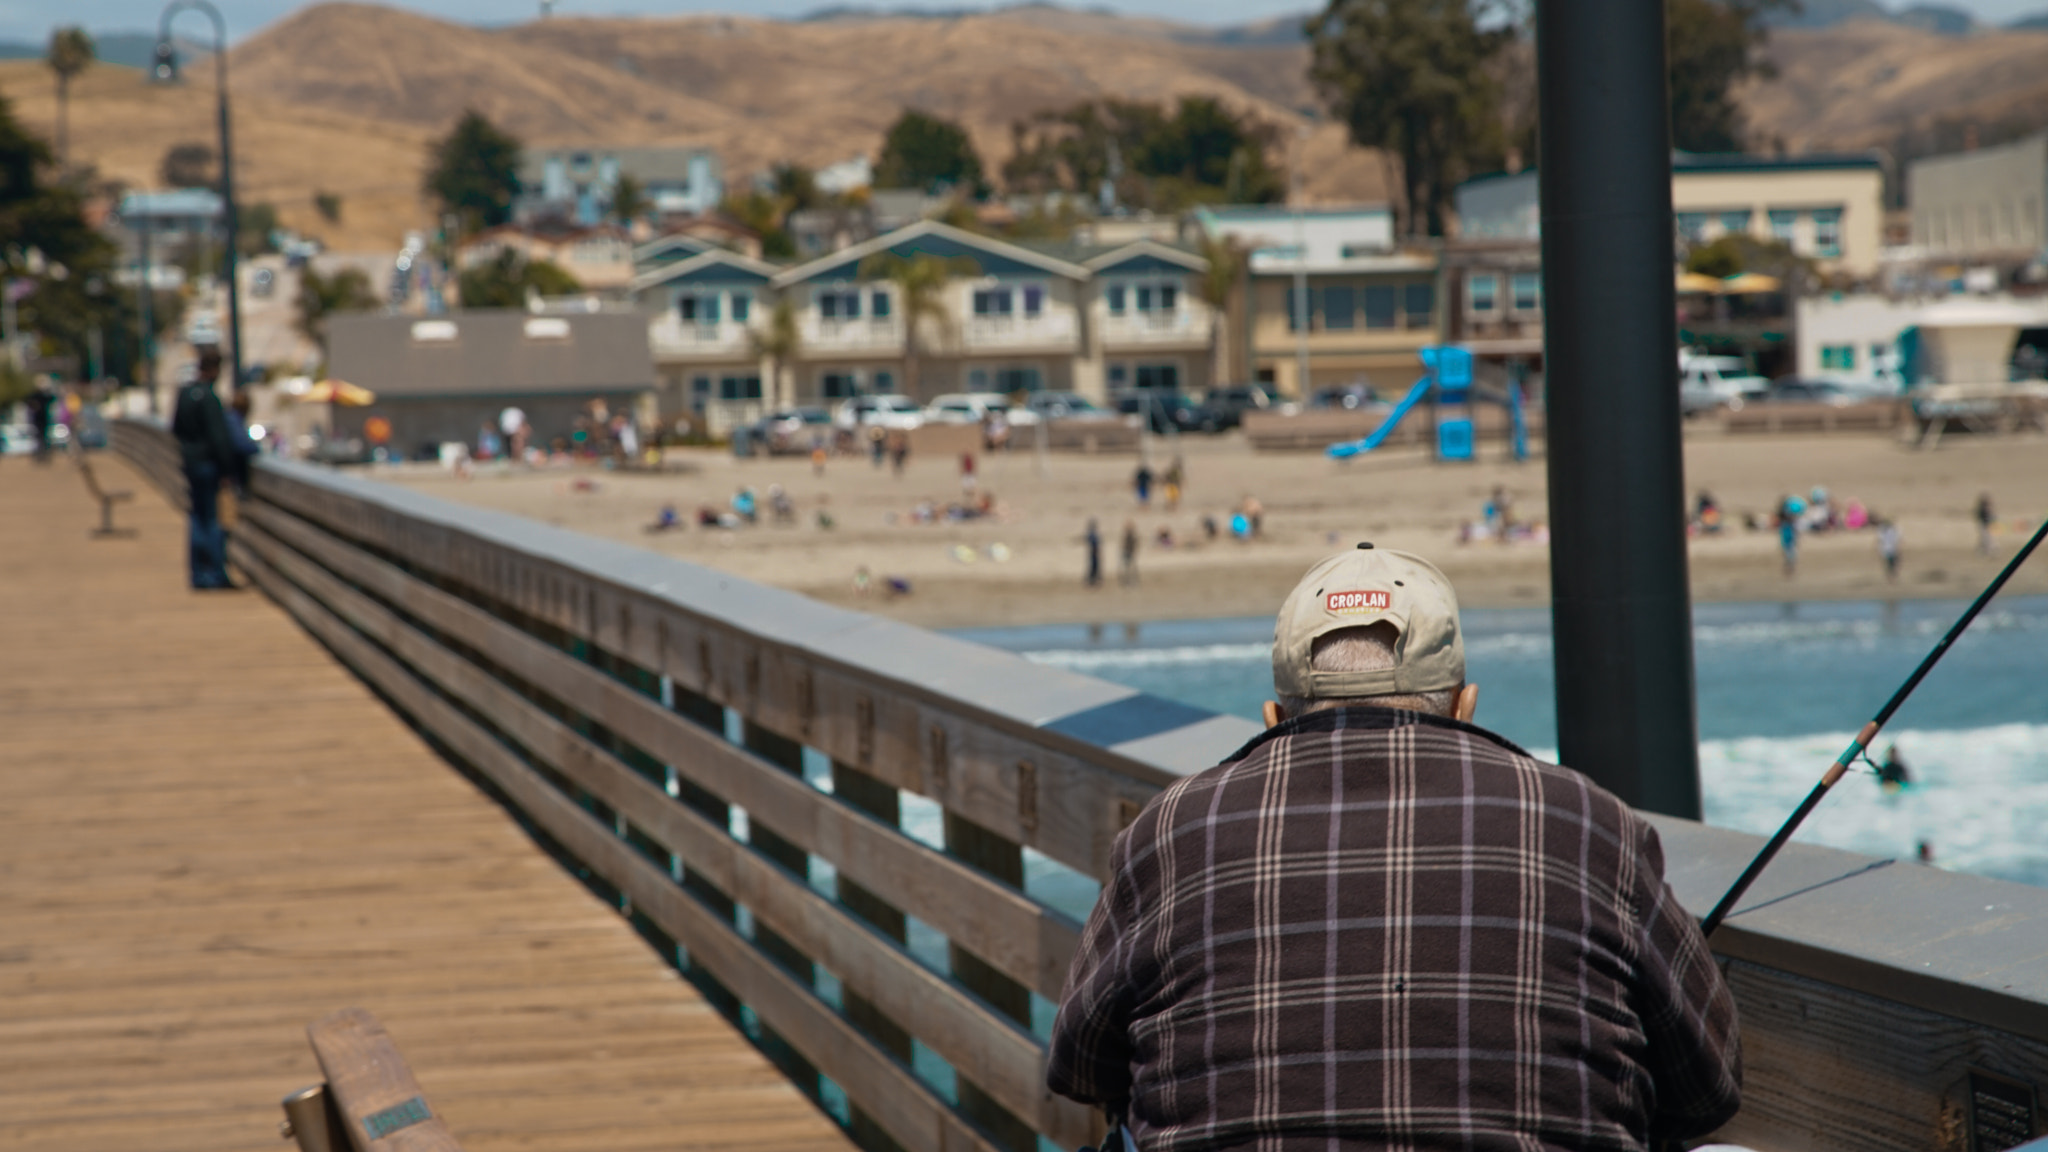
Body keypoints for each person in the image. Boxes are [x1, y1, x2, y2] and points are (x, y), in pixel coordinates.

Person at [1048, 545, 1742, 1152]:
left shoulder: (1174, 826)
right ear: (1464, 706)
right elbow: (1708, 1085)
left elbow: (1080, 1066)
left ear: (1274, 717)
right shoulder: (1592, 823)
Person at [170, 350, 239, 590]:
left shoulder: (185, 394)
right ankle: (216, 574)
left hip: (190, 463)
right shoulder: (210, 398)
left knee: (196, 517)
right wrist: (228, 470)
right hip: (209, 466)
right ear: (215, 370)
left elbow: (176, 428)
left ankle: (198, 574)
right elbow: (219, 438)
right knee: (213, 519)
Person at [1118, 520, 1139, 585]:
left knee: (1132, 568)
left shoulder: (1133, 535)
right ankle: (1126, 581)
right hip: (1126, 552)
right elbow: (1123, 544)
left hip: (1130, 552)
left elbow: (1135, 543)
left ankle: (1132, 581)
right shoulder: (1126, 534)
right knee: (1126, 567)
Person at [1084, 519, 1103, 588]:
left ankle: (1094, 582)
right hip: (1093, 554)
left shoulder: (1094, 535)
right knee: (1093, 568)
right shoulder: (1093, 535)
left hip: (1094, 554)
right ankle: (1091, 582)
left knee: (1095, 568)